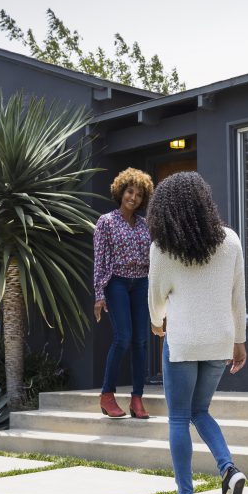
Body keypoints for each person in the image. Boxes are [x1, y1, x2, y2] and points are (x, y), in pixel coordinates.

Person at [147, 171, 248, 494]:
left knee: (178, 417)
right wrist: (240, 341)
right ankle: (228, 469)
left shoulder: (162, 248)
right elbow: (239, 298)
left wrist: (158, 325)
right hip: (220, 340)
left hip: (183, 342)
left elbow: (155, 298)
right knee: (200, 411)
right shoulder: (231, 241)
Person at [93, 168, 154, 419]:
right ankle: (107, 395)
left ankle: (137, 399)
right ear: (121, 192)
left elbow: (152, 258)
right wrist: (99, 293)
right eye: (130, 192)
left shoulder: (144, 225)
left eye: (139, 195)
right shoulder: (106, 222)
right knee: (124, 337)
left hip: (140, 283)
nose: (134, 198)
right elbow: (99, 259)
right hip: (116, 281)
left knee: (141, 340)